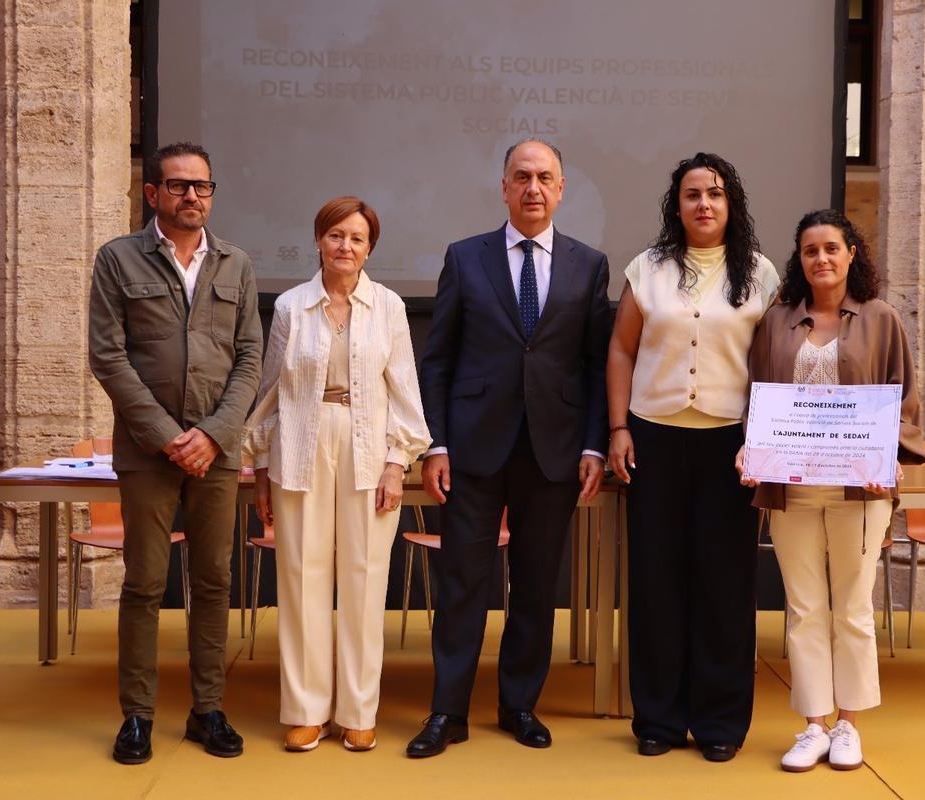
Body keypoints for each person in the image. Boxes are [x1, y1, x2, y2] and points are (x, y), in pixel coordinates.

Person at [407, 138, 612, 757]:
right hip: (472, 448)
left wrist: (594, 446)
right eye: (521, 177)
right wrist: (436, 443)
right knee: (462, 583)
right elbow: (438, 359)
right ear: (503, 187)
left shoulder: (589, 264)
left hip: (554, 449)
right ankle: (448, 711)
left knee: (535, 584)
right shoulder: (464, 257)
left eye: (544, 177)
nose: (532, 188)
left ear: (561, 189)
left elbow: (595, 366)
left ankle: (519, 704)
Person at [88, 142, 263, 764]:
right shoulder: (118, 259)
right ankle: (136, 716)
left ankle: (207, 710)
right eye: (179, 185)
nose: (192, 195)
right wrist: (168, 436)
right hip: (148, 452)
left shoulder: (237, 264)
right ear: (152, 193)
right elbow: (108, 356)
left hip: (216, 452)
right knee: (143, 582)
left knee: (214, 581)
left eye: (202, 186)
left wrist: (212, 434)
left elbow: (250, 357)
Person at [737, 209, 925, 772]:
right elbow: (757, 396)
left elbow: (903, 400)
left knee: (852, 608)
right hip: (792, 489)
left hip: (858, 491)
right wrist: (750, 447)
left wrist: (888, 457)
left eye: (831, 248)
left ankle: (849, 724)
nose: (821, 258)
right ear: (799, 259)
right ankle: (813, 725)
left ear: (851, 255)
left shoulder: (881, 318)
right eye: (810, 250)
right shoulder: (776, 321)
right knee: (804, 608)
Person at [606, 152, 779, 762]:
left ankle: (720, 723)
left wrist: (764, 439)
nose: (704, 203)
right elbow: (622, 350)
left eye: (715, 193)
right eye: (692, 194)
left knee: (725, 584)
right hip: (653, 440)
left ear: (731, 204)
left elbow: (773, 365)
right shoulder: (647, 269)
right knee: (656, 580)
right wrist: (618, 427)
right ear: (675, 206)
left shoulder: (760, 274)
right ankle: (657, 719)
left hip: (731, 446)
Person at [245, 197, 429, 753]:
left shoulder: (389, 306)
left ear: (369, 248)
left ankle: (357, 710)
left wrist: (397, 463)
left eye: (356, 238)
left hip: (369, 449)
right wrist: (260, 465)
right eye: (335, 235)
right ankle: (306, 710)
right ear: (318, 240)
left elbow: (405, 390)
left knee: (365, 579)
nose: (345, 246)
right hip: (299, 446)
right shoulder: (290, 307)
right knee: (301, 578)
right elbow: (270, 391)